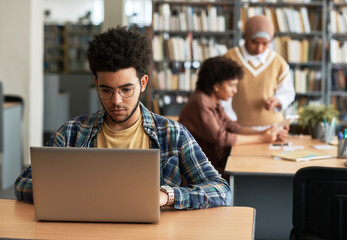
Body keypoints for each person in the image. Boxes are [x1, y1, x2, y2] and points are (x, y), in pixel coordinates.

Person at [14, 26, 231, 209]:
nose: (116, 101)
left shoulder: (172, 133)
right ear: (96, 83)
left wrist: (167, 196)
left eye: (126, 89)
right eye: (106, 90)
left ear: (143, 83)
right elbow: (24, 183)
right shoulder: (72, 132)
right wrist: (79, 193)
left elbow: (221, 190)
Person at [178, 56, 286, 179]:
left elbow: (232, 126)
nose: (235, 91)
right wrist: (261, 138)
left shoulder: (212, 101)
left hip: (213, 166)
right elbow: (222, 138)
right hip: (201, 173)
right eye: (231, 85)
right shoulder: (201, 103)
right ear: (216, 85)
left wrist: (264, 132)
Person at [222, 15, 295, 131]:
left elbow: (288, 93)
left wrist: (277, 100)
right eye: (254, 42)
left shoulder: (278, 62)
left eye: (265, 43)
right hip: (240, 128)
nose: (259, 48)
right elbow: (222, 95)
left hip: (273, 128)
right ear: (246, 36)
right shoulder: (230, 58)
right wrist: (230, 119)